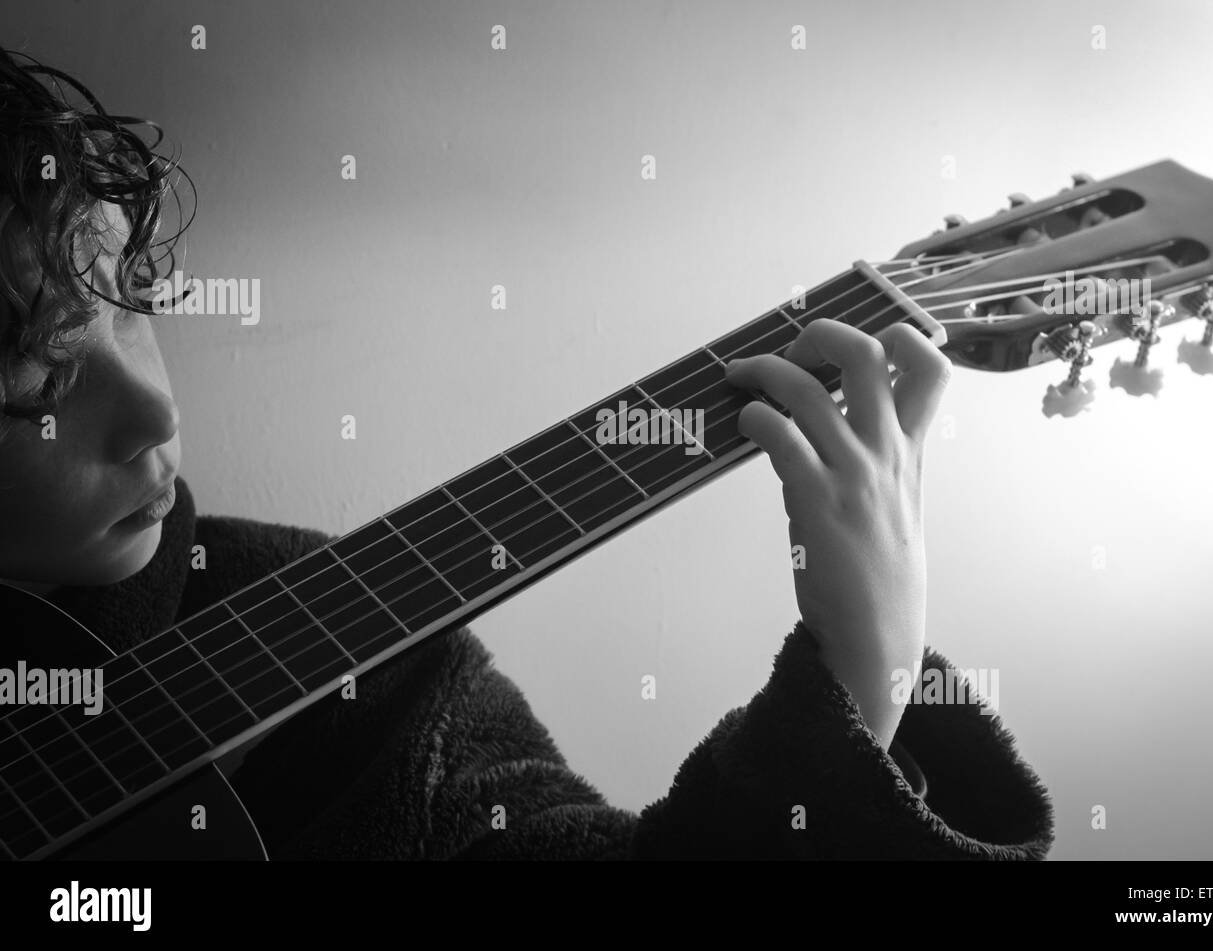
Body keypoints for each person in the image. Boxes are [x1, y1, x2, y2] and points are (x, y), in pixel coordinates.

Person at [0, 46, 1054, 859]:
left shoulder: (354, 651)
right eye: (37, 380)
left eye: (133, 300)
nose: (157, 416)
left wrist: (865, 671)